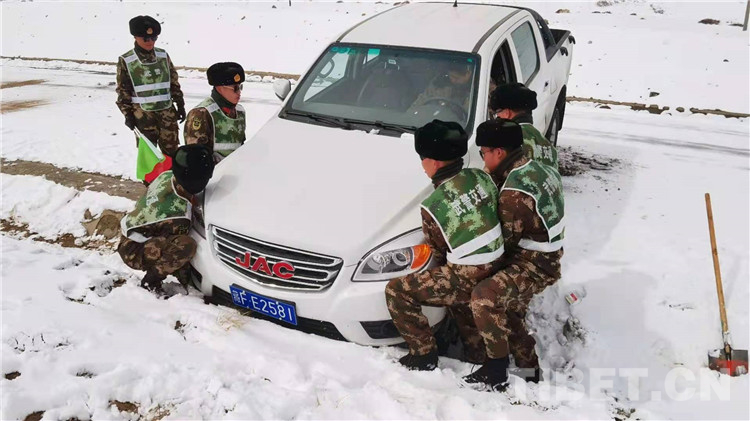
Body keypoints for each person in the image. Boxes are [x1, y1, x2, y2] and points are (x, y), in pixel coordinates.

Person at [385, 120, 505, 371]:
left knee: (398, 291)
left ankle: (423, 354)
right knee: (464, 310)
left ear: (435, 162)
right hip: (499, 265)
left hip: (467, 274)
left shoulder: (434, 204)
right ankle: (476, 355)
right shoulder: (481, 176)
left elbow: (438, 253)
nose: (422, 165)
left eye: (423, 158)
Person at [466, 119, 565, 391]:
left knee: (484, 296)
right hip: (548, 252)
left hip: (535, 263)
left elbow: (502, 247)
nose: (483, 159)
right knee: (508, 309)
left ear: (499, 152)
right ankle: (529, 370)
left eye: (484, 153)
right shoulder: (537, 168)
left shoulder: (513, 194)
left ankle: (495, 368)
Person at [118, 144, 215, 295]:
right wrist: (189, 282)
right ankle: (151, 281)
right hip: (132, 249)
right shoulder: (179, 215)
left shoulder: (167, 175)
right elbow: (176, 251)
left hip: (132, 228)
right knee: (186, 245)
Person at [116, 15, 186, 157]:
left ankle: (171, 173)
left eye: (154, 38)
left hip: (167, 115)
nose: (150, 42)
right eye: (146, 39)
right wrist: (127, 114)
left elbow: (173, 82)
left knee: (172, 156)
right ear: (135, 37)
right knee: (149, 158)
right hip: (143, 118)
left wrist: (180, 104)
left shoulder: (163, 55)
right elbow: (123, 90)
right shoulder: (127, 60)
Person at [184, 62, 247, 162]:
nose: (239, 92)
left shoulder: (240, 112)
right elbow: (196, 158)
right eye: (235, 88)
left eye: (240, 87)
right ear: (220, 88)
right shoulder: (201, 114)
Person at [490, 83, 558, 169]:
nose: (496, 118)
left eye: (497, 114)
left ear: (507, 113)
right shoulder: (549, 148)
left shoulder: (503, 143)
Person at [409, 61, 474, 117]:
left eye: (456, 78)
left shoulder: (476, 91)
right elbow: (421, 101)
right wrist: (410, 114)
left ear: (468, 74)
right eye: (451, 76)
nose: (453, 80)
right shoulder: (438, 84)